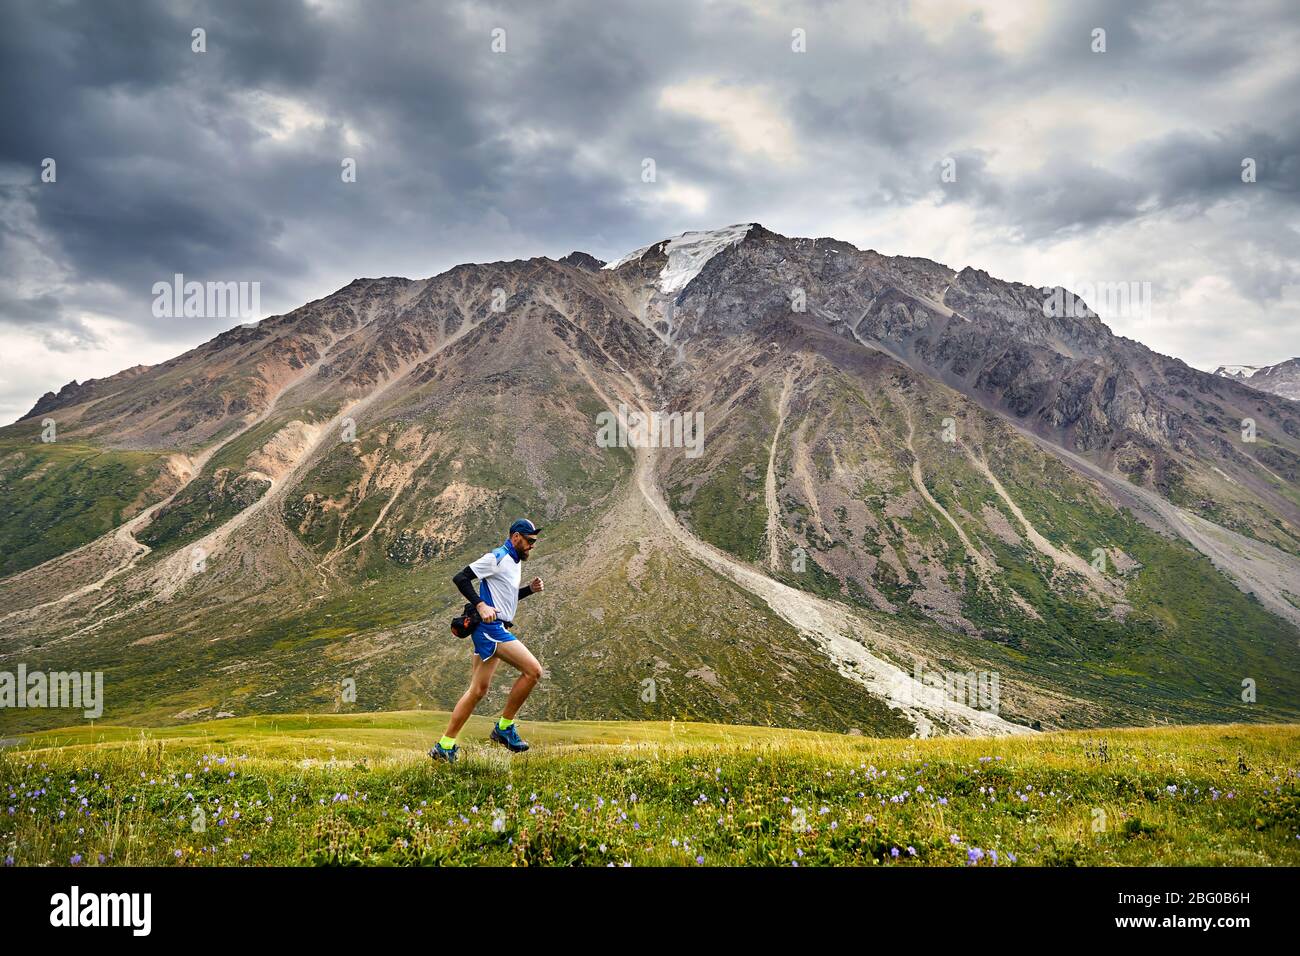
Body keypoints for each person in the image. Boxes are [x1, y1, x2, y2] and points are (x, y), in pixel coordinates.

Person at [429, 519, 545, 763]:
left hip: (495, 626)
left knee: (477, 690)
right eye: (529, 541)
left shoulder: (513, 561)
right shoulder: (498, 557)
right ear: (516, 537)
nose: (532, 545)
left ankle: (444, 746)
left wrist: (528, 591)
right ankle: (504, 728)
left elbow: (505, 600)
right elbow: (460, 578)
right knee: (533, 671)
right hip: (491, 629)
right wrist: (480, 605)